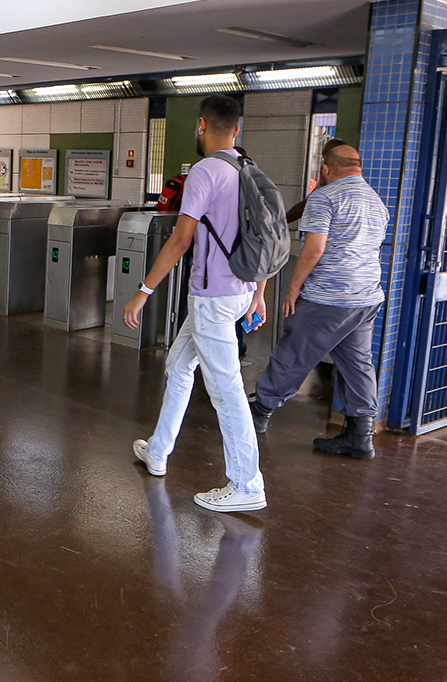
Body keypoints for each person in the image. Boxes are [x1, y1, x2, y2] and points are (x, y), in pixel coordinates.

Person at [124, 95, 270, 513]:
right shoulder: (248, 168)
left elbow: (180, 239)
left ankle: (246, 483)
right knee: (178, 365)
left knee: (226, 391)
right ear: (236, 130)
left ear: (202, 126)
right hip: (240, 291)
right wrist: (258, 293)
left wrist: (143, 291)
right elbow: (263, 237)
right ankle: (158, 449)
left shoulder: (205, 172)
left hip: (213, 298)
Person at [247, 145, 389, 460]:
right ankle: (360, 435)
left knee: (294, 351)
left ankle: (259, 411)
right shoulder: (378, 202)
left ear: (325, 169)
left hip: (329, 296)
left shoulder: (325, 197)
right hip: (366, 297)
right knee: (357, 363)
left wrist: (293, 287)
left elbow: (315, 249)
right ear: (359, 168)